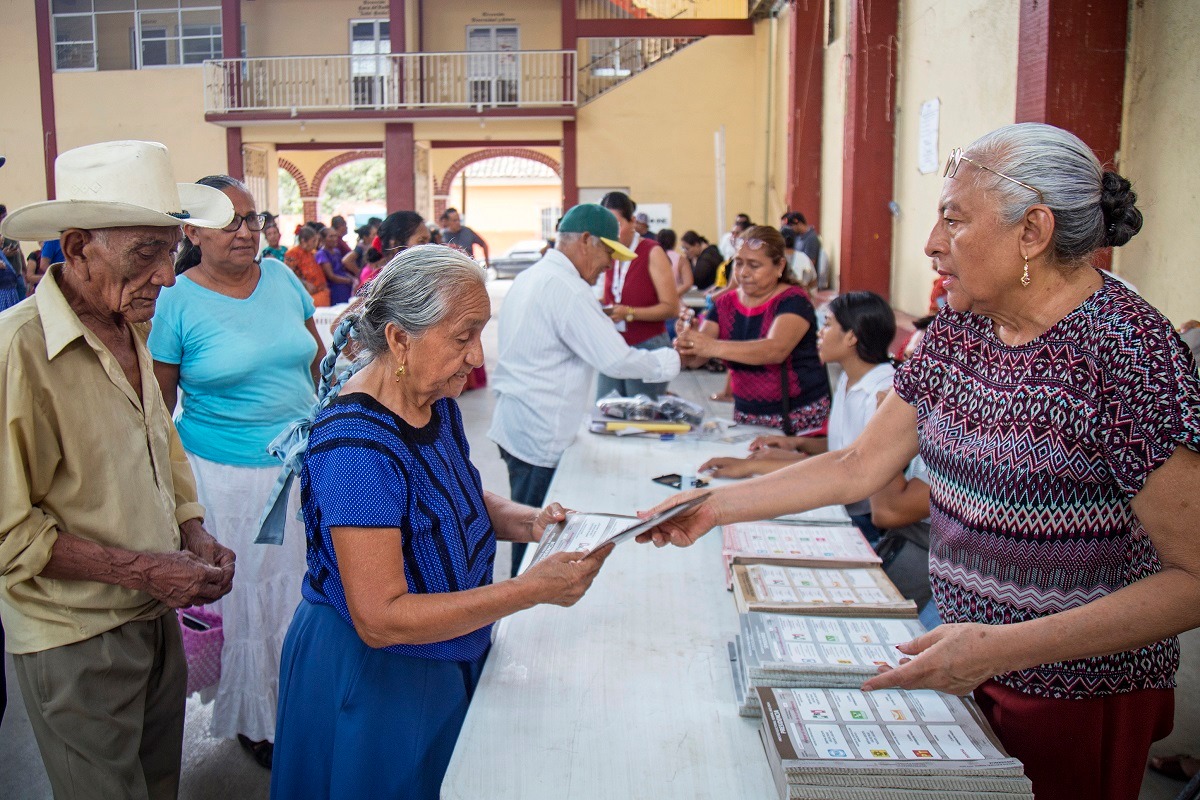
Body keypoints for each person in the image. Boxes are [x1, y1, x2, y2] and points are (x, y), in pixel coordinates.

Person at [642, 123, 1200, 800]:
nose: (932, 243)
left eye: (953, 221)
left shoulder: (1127, 354)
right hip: (960, 661)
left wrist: (1000, 649)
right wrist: (708, 507)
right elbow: (858, 464)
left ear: (1033, 231)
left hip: (1072, 694)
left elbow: (1192, 575)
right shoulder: (965, 326)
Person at [267, 244, 612, 800]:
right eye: (463, 335)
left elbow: (460, 498)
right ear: (401, 338)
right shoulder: (356, 448)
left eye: (481, 333)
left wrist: (533, 524)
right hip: (375, 672)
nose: (478, 355)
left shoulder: (434, 402)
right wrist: (527, 591)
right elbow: (381, 617)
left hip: (444, 644)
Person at [0, 140, 236, 799]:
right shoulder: (16, 354)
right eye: (145, 254)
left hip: (153, 610)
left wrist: (191, 531)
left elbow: (161, 448)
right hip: (76, 636)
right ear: (77, 248)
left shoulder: (123, 320)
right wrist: (145, 569)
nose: (166, 274)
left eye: (171, 251)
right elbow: (10, 537)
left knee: (159, 784)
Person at [149, 175, 325, 770]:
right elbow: (156, 409)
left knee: (306, 591)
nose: (247, 232)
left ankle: (304, 702)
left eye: (252, 219)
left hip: (305, 467)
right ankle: (261, 719)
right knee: (254, 598)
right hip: (231, 480)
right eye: (229, 221)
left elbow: (315, 362)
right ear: (191, 231)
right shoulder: (174, 300)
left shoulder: (280, 277)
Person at [488, 204, 680, 576]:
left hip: (521, 423)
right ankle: (522, 609)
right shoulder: (569, 290)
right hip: (539, 432)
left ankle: (522, 596)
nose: (610, 264)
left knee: (532, 530)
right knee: (539, 538)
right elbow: (616, 361)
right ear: (587, 241)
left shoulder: (536, 276)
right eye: (608, 252)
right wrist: (668, 361)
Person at [699, 291, 894, 538]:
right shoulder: (849, 377)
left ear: (852, 337)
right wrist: (797, 444)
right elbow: (844, 448)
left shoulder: (882, 392)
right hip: (840, 501)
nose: (819, 334)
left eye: (827, 325)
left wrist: (757, 467)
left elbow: (852, 470)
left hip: (861, 518)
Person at [675, 225, 830, 433]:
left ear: (779, 266)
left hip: (798, 416)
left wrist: (711, 346)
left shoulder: (793, 300)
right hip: (746, 415)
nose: (743, 273)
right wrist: (687, 342)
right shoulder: (725, 303)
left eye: (754, 265)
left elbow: (774, 350)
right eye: (738, 263)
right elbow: (696, 359)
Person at [596, 191, 679, 398]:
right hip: (615, 344)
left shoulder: (652, 251)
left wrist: (629, 312)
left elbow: (671, 307)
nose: (611, 234)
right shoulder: (609, 251)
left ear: (633, 221)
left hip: (647, 345)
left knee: (639, 419)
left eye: (617, 226)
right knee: (606, 409)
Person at [285, 226, 330, 306]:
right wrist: (305, 283)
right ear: (303, 241)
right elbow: (288, 275)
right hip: (307, 295)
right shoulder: (292, 253)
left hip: (320, 293)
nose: (315, 243)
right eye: (313, 241)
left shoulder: (311, 253)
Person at [315, 226, 355, 304]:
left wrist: (353, 279)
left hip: (345, 285)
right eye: (331, 236)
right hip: (335, 288)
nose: (334, 239)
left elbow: (342, 270)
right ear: (323, 239)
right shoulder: (321, 254)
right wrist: (348, 280)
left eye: (335, 236)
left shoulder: (337, 252)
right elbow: (331, 276)